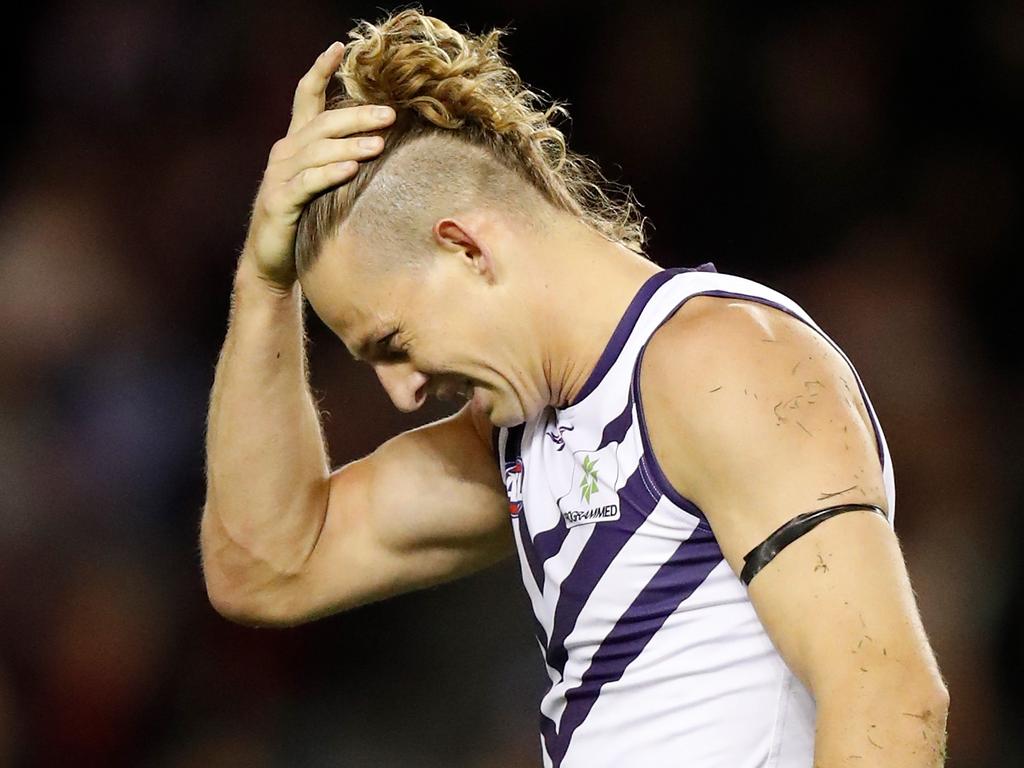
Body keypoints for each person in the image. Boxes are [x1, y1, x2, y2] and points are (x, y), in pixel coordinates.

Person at [200, 10, 948, 767]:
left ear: (465, 249)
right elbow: (264, 568)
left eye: (393, 344)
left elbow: (888, 698)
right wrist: (265, 281)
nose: (404, 392)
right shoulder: (522, 433)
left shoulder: (721, 365)